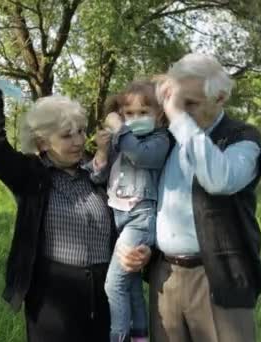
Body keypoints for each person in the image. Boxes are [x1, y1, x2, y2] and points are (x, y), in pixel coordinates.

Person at [0, 72, 148, 342]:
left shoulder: (99, 170)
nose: (79, 141)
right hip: (52, 299)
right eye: (67, 136)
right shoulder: (30, 174)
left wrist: (142, 252)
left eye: (81, 131)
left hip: (107, 295)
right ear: (43, 142)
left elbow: (135, 214)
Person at [149, 54, 261, 342]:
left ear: (220, 97)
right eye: (177, 102)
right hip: (165, 275)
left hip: (218, 277)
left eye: (190, 103)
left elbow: (219, 180)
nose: (179, 111)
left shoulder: (243, 139)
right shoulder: (167, 138)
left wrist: (178, 118)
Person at [89, 81, 171, 342]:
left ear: (159, 114)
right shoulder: (119, 140)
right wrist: (103, 150)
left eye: (143, 112)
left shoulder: (160, 139)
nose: (135, 119)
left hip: (140, 218)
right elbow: (98, 177)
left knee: (113, 284)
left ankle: (118, 337)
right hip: (119, 218)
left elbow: (140, 156)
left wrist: (119, 128)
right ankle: (139, 336)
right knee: (131, 284)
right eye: (129, 113)